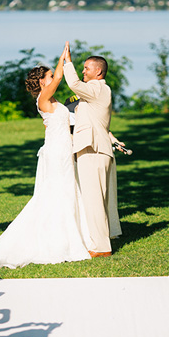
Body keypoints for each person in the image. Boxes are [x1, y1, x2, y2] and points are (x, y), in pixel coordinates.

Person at [0, 43, 93, 268]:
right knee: (59, 192)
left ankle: (75, 237)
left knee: (67, 191)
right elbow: (59, 78)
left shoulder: (53, 101)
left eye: (51, 75)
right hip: (56, 152)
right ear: (41, 81)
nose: (52, 78)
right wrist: (64, 59)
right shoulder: (43, 98)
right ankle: (59, 242)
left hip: (63, 149)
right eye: (49, 76)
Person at [62, 41, 114, 258]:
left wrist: (67, 62)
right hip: (92, 148)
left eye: (86, 68)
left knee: (94, 199)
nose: (83, 71)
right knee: (95, 198)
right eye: (82, 68)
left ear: (98, 72)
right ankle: (101, 240)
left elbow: (73, 83)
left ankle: (102, 247)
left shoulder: (97, 88)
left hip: (93, 149)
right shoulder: (94, 91)